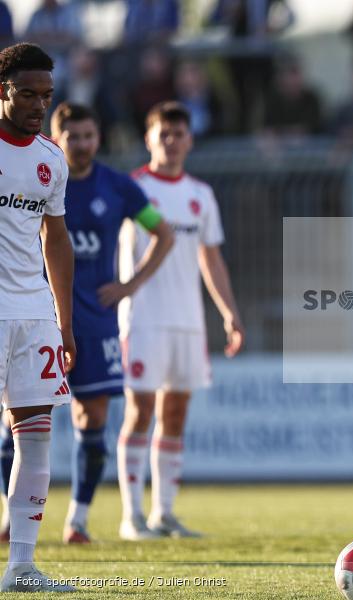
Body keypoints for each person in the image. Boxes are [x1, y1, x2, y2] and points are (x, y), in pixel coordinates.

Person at [117, 101, 244, 540]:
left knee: (175, 412)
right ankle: (131, 516)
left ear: (190, 139)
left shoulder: (201, 194)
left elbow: (212, 258)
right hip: (144, 318)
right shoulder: (132, 188)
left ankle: (163, 513)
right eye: (163, 134)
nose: (171, 142)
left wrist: (229, 313)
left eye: (178, 134)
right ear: (150, 139)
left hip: (187, 320)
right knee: (141, 410)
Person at [52, 102, 174, 543]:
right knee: (20, 421)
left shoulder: (117, 187)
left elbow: (164, 233)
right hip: (41, 317)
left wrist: (129, 285)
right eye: (74, 137)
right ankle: (12, 518)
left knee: (94, 419)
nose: (82, 145)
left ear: (98, 137)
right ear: (58, 138)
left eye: (89, 136)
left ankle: (77, 521)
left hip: (97, 320)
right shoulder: (40, 181)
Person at [0, 42, 76, 592]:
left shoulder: (51, 159)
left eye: (45, 97)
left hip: (33, 312)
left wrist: (64, 320)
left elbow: (56, 238)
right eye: (27, 94)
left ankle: (21, 567)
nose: (37, 106)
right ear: (3, 90)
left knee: (37, 438)